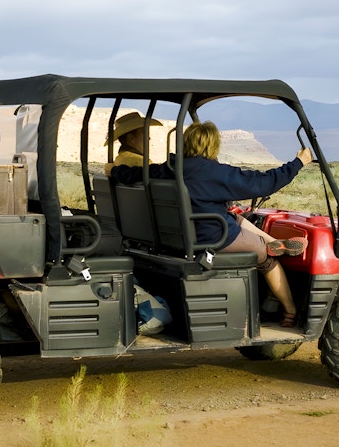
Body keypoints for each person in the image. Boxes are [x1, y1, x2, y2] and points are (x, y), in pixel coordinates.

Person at [108, 120, 313, 328]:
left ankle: (272, 241)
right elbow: (264, 183)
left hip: (184, 235)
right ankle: (290, 310)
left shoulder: (169, 168)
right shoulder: (214, 172)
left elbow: (136, 173)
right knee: (267, 259)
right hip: (215, 237)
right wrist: (298, 163)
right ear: (212, 145)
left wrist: (114, 171)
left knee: (235, 218)